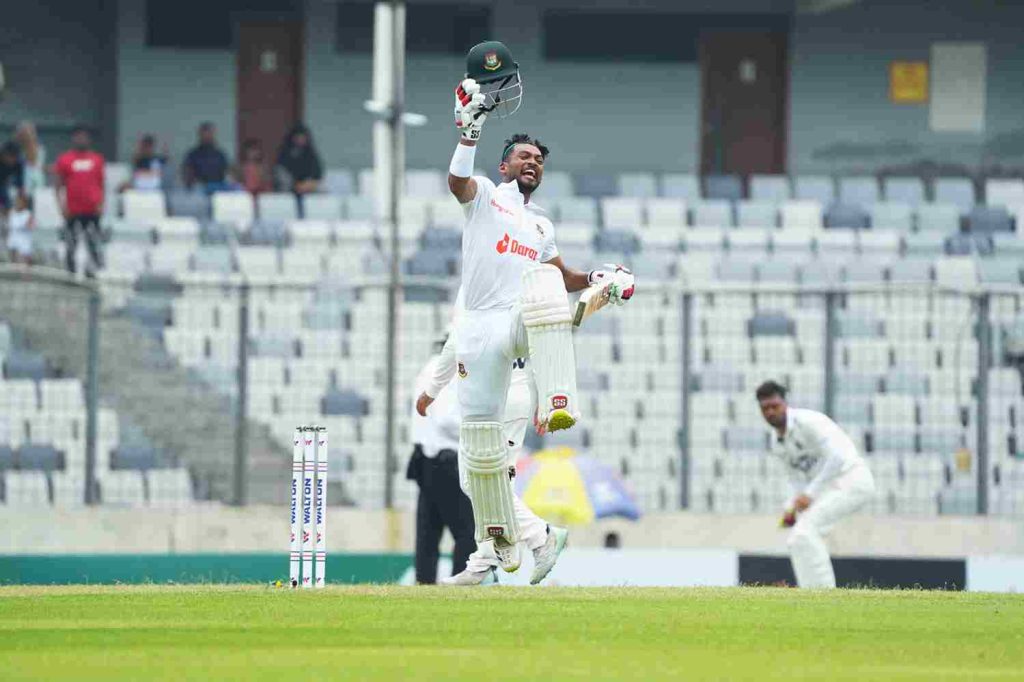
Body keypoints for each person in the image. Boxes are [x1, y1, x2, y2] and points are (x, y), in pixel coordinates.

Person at [442, 55, 636, 583]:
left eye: (539, 160)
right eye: (523, 156)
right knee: (476, 467)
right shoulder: (485, 197)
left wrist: (599, 278)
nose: (533, 163)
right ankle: (500, 551)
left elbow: (565, 276)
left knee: (547, 291)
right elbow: (458, 183)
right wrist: (468, 135)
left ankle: (559, 399)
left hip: (519, 334)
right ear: (504, 166)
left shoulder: (540, 227)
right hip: (478, 334)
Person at [756, 380, 876, 589]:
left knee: (805, 532)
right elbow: (796, 479)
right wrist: (790, 508)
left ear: (785, 404)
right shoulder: (777, 442)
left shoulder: (808, 422)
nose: (770, 412)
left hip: (852, 479)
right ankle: (810, 594)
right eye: (765, 408)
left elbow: (837, 458)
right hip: (829, 487)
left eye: (774, 406)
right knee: (797, 539)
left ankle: (823, 596)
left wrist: (810, 494)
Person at [407, 332, 476, 584]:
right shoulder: (445, 371)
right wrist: (480, 431)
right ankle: (461, 584)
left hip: (425, 458)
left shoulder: (427, 369)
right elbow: (447, 420)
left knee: (428, 532)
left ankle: (424, 585)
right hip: (447, 459)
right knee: (467, 531)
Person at [54, 126, 105, 276]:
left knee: (93, 243)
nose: (82, 140)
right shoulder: (65, 160)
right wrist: (61, 206)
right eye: (79, 137)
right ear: (74, 138)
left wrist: (101, 204)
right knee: (71, 244)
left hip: (92, 210)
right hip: (72, 210)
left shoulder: (97, 160)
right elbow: (57, 186)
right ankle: (70, 273)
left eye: (85, 137)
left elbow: (101, 184)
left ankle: (93, 273)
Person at [275, 123, 322, 195]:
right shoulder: (284, 152)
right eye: (298, 137)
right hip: (289, 186)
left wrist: (306, 184)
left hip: (307, 186)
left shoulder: (310, 153)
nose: (301, 140)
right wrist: (295, 185)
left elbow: (317, 173)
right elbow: (281, 171)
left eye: (303, 137)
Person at [183, 122, 230, 193]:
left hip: (218, 189)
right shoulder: (192, 155)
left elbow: (227, 173)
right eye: (205, 134)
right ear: (200, 135)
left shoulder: (220, 155)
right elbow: (187, 173)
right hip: (198, 190)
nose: (207, 136)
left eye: (210, 134)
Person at [14, 121, 45, 196]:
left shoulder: (38, 147)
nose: (26, 135)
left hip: (34, 181)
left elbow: (32, 161)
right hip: (17, 183)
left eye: (29, 132)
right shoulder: (15, 147)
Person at [6, 193, 33, 264]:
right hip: (13, 240)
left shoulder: (27, 214)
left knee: (24, 264)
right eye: (17, 201)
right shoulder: (12, 212)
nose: (18, 203)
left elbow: (30, 226)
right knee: (13, 262)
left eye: (20, 202)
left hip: (24, 242)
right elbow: (10, 227)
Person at [0, 141, 24, 213]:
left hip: (4, 182)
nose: (12, 160)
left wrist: (20, 196)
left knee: (7, 203)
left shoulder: (18, 163)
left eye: (15, 157)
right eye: (11, 157)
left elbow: (20, 183)